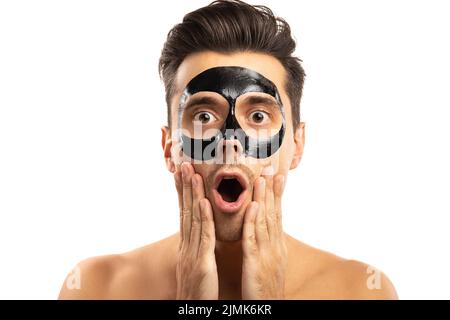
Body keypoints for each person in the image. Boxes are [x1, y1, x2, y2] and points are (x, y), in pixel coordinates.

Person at [59, 0, 398, 299]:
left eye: (259, 115)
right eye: (204, 115)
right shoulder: (97, 289)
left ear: (297, 144)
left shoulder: (360, 291)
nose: (231, 141)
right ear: (169, 147)